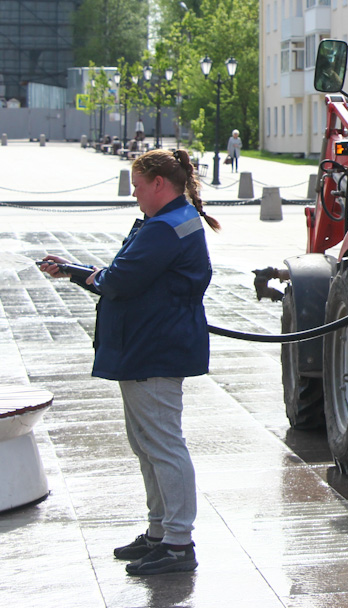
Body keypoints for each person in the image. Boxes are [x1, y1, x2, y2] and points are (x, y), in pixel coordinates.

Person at [39, 149, 219, 576]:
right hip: (149, 346)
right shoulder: (174, 221)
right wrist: (75, 270)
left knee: (162, 445)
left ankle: (177, 543)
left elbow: (119, 280)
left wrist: (82, 273)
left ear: (159, 183)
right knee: (148, 445)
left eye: (138, 186)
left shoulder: (165, 228)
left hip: (152, 349)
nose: (135, 194)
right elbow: (126, 274)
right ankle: (160, 533)